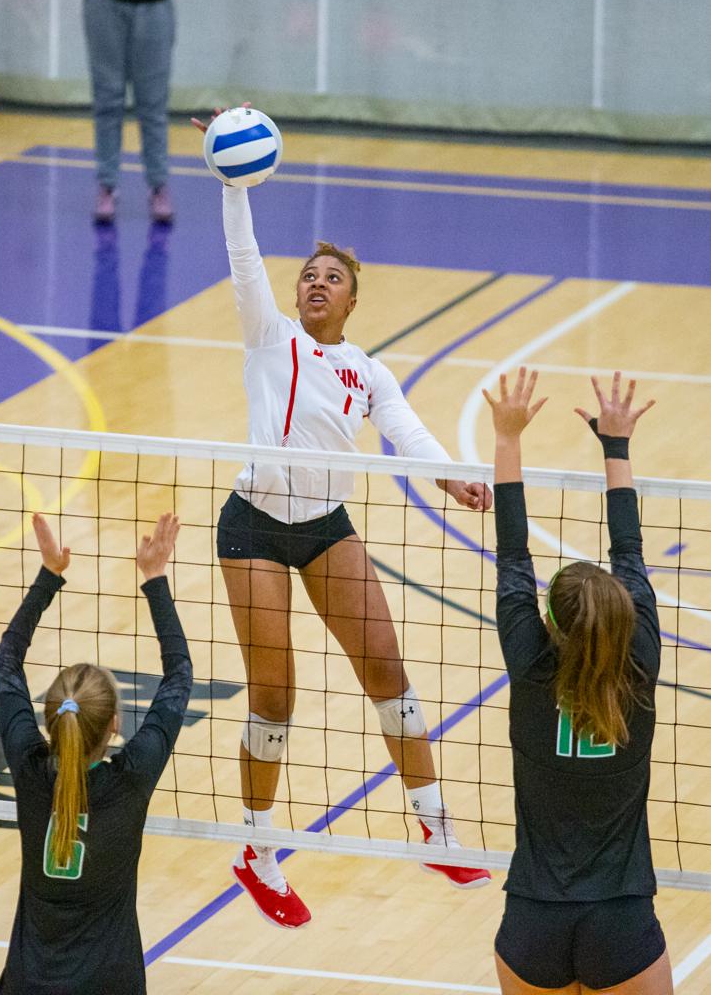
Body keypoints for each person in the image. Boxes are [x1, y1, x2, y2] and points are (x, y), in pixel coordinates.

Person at [192, 114, 494, 930]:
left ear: (353, 299)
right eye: (309, 276)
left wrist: (457, 479)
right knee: (276, 695)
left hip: (326, 526)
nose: (316, 283)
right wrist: (232, 187)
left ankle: (435, 828)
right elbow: (242, 257)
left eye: (332, 277)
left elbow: (409, 434)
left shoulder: (368, 371)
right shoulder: (270, 336)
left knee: (388, 674)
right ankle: (256, 849)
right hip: (253, 524)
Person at [483, 368, 672, 994]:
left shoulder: (532, 664)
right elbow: (632, 552)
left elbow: (513, 553)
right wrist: (615, 448)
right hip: (620, 919)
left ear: (547, 620)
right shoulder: (639, 662)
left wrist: (507, 440)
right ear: (623, 614)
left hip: (531, 919)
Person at [0, 512, 191, 995]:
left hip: (28, 985)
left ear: (49, 724)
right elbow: (179, 674)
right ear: (117, 726)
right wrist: (155, 577)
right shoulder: (132, 777)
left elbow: (6, 662)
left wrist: (48, 575)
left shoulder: (28, 766)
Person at [83, 0, 176, 225]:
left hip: (154, 2)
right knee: (107, 101)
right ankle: (107, 186)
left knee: (153, 105)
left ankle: (158, 185)